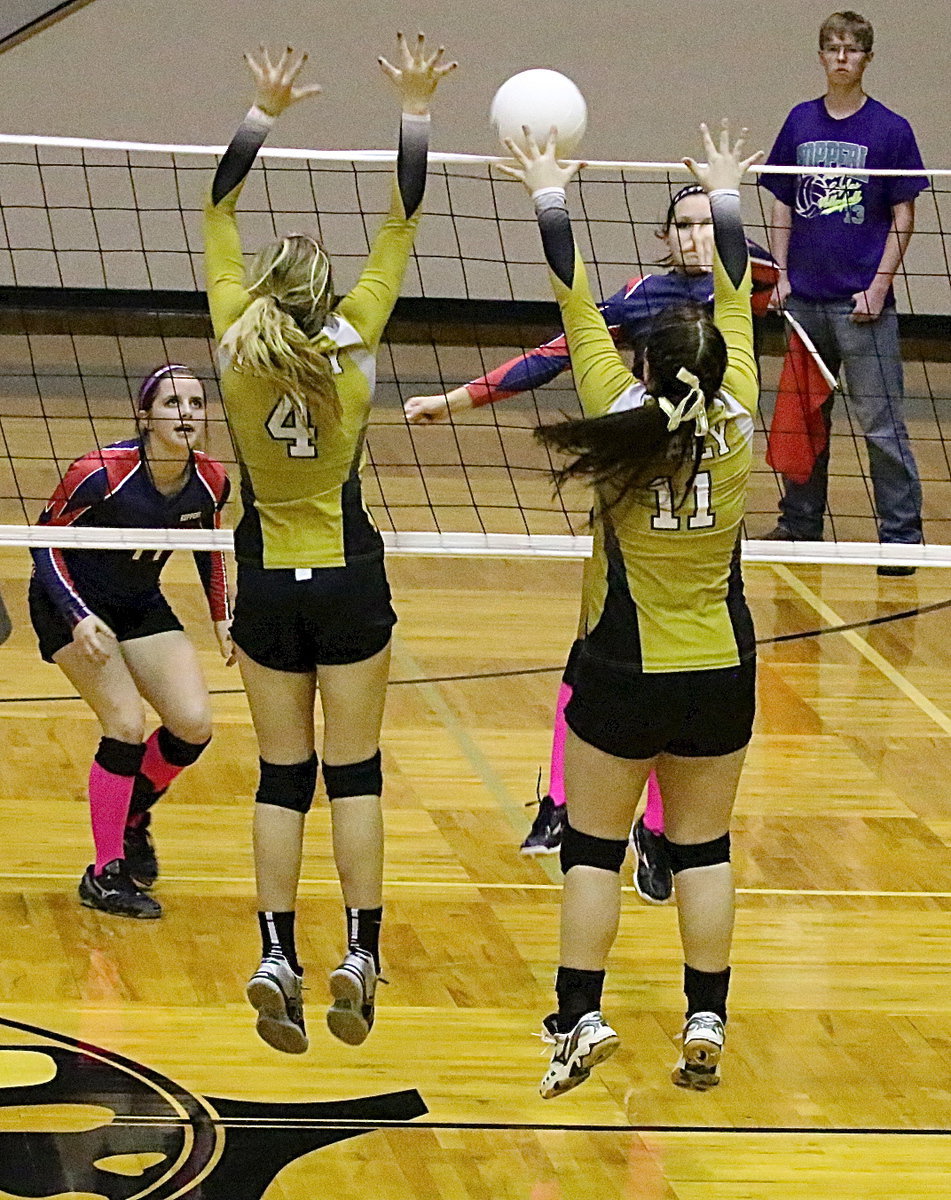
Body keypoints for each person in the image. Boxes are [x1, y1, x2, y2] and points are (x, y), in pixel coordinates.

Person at [404, 189, 777, 896]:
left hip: (705, 523)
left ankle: (659, 832)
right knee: (600, 645)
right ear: (663, 236)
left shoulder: (749, 281)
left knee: (685, 669)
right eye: (685, 225)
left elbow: (758, 289)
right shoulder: (642, 298)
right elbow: (555, 352)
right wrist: (454, 401)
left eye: (708, 223)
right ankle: (561, 802)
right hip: (635, 512)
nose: (700, 237)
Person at [496, 120, 761, 1096]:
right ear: (719, 365)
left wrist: (548, 187)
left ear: (642, 364)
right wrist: (729, 190)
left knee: (596, 855)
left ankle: (580, 1017)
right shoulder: (738, 418)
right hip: (720, 669)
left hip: (622, 668)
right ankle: (706, 1018)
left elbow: (573, 295)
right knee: (704, 850)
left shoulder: (616, 414)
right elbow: (735, 291)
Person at [204, 37, 455, 1055]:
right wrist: (414, 106)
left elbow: (217, 208)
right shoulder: (352, 343)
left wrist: (262, 113)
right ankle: (359, 950)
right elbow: (403, 215)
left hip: (266, 578)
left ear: (263, 290)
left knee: (280, 777)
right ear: (323, 296)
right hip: (349, 578)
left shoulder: (233, 344)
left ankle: (275, 953)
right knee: (354, 776)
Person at [28, 364, 233, 918]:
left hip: (139, 603)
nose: (186, 414)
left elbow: (210, 543)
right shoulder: (101, 472)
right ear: (147, 416)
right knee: (124, 725)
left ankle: (134, 813)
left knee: (193, 725)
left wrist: (222, 615)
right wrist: (76, 615)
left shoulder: (211, 479)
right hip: (68, 603)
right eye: (172, 403)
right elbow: (41, 544)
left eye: (195, 403)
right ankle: (104, 871)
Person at [759, 10, 928, 575]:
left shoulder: (890, 129)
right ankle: (800, 526)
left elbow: (905, 214)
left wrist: (879, 287)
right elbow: (782, 199)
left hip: (862, 307)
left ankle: (901, 539)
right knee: (803, 419)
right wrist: (781, 274)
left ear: (867, 59)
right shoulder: (799, 122)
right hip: (804, 301)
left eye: (851, 50)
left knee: (881, 425)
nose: (840, 57)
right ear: (821, 55)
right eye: (831, 48)